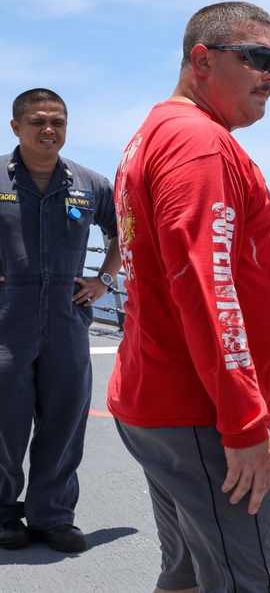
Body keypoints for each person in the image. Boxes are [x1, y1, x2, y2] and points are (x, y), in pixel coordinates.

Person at [109, 1, 270, 593]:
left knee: (188, 574)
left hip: (161, 400)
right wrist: (244, 422)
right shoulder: (198, 145)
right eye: (259, 59)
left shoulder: (157, 134)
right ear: (202, 60)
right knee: (249, 583)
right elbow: (206, 287)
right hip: (202, 415)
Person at [0, 88, 120, 553]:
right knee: (5, 422)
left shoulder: (89, 184)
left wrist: (104, 281)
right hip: (8, 315)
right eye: (37, 121)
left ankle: (52, 515)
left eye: (58, 122)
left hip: (68, 316)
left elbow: (124, 232)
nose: (49, 130)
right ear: (16, 127)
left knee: (65, 420)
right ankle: (6, 514)